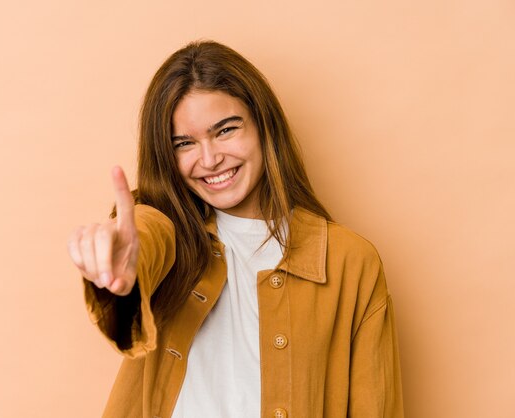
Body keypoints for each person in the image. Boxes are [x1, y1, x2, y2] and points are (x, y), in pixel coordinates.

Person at [67, 40, 404, 418]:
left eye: (225, 130)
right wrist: (123, 258)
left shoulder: (348, 261)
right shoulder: (167, 228)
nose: (209, 159)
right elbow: (147, 235)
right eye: (184, 143)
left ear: (263, 126)